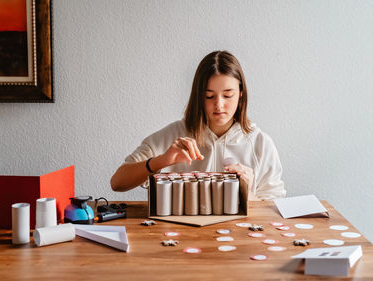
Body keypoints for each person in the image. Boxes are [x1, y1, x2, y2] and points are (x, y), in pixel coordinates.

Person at [110, 50, 286, 200]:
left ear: (241, 94)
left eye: (228, 95)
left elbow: (274, 211)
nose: (219, 105)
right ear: (198, 96)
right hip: (182, 236)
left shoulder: (260, 144)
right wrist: (161, 161)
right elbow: (117, 182)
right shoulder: (175, 135)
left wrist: (248, 195)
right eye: (209, 96)